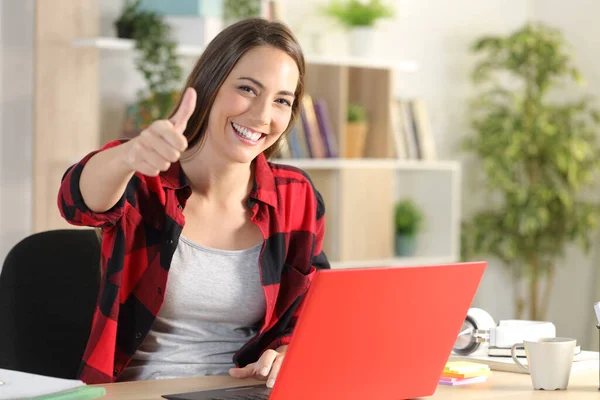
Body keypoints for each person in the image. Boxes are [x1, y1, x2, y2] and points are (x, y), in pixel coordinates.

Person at [57, 17, 329, 387]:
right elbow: (75, 203)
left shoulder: (296, 195)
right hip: (144, 391)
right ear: (211, 84)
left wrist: (285, 355)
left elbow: (315, 314)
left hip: (246, 391)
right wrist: (127, 156)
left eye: (281, 100)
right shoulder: (145, 176)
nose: (263, 115)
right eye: (248, 89)